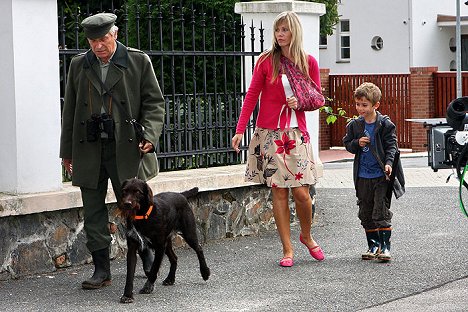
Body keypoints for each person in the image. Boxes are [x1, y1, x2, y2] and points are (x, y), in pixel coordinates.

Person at [60, 13, 165, 289]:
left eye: (103, 39)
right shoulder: (79, 65)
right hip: (89, 147)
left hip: (126, 148)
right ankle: (101, 269)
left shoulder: (137, 61)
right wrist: (66, 152)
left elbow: (155, 104)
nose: (98, 46)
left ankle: (145, 251)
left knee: (135, 207)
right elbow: (69, 110)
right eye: (92, 41)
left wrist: (151, 136)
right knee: (93, 209)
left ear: (115, 34)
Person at [231, 11, 324, 267]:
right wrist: (240, 130)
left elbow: (317, 98)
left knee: (302, 194)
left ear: (294, 32)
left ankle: (306, 235)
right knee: (279, 192)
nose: (280, 35)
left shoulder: (308, 62)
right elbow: (251, 96)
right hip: (270, 134)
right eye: (277, 30)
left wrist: (300, 102)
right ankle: (287, 250)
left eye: (284, 30)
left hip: (295, 134)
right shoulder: (265, 61)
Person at [343, 82, 405, 262]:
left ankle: (385, 248)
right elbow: (348, 144)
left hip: (381, 175)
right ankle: (373, 245)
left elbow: (392, 146)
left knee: (380, 211)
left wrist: (388, 164)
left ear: (375, 105)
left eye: (364, 105)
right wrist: (356, 143)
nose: (360, 108)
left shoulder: (385, 124)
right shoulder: (355, 125)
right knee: (365, 211)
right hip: (362, 176)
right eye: (357, 104)